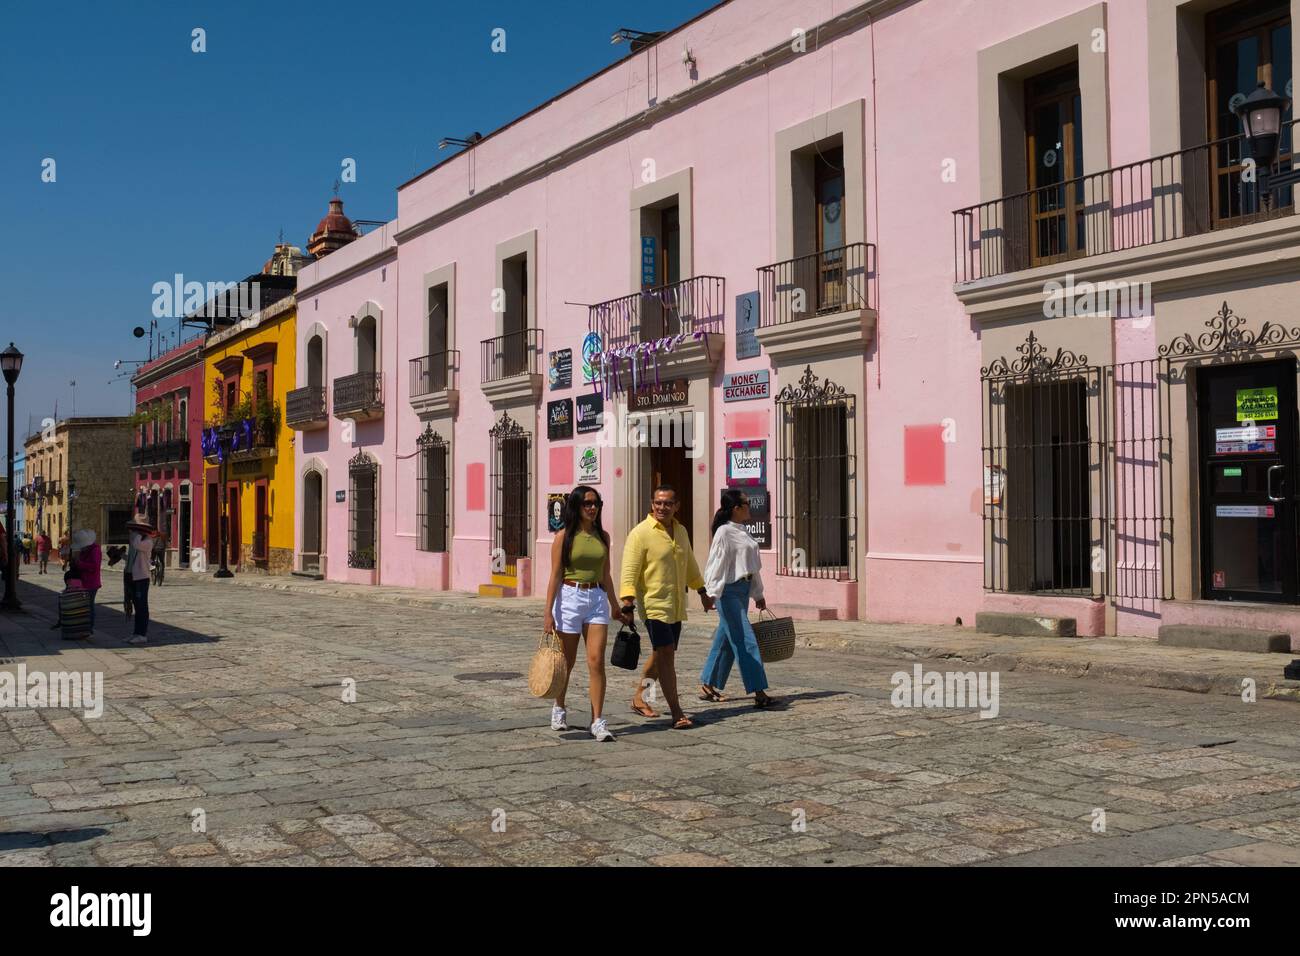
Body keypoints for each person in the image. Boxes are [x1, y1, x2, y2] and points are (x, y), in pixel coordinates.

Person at [620, 484, 714, 730]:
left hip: (676, 605)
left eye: (668, 503)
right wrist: (627, 602)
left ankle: (641, 698)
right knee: (667, 655)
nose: (662, 507)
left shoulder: (681, 530)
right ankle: (677, 712)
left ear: (676, 506)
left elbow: (690, 564)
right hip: (653, 605)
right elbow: (629, 570)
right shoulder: (640, 533)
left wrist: (702, 591)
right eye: (658, 502)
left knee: (661, 654)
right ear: (652, 504)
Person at [543, 486, 628, 742]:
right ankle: (559, 707)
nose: (593, 508)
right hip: (569, 598)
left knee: (596, 661)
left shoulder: (603, 536)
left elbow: (606, 574)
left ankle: (597, 721)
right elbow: (555, 574)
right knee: (566, 663)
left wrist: (614, 605)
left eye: (597, 503)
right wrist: (547, 612)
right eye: (588, 504)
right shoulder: (564, 537)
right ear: (577, 507)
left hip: (596, 599)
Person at [698, 489, 780, 708]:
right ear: (736, 508)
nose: (749, 506)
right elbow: (715, 564)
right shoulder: (724, 532)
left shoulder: (742, 530)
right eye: (746, 503)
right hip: (729, 593)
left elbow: (751, 567)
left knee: (725, 640)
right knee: (745, 639)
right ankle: (759, 690)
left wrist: (758, 593)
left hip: (743, 590)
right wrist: (711, 593)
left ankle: (709, 683)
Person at [125, 514, 160, 645]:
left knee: (142, 607)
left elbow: (137, 544)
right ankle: (136, 633)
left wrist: (137, 533)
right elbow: (133, 558)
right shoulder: (138, 539)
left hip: (142, 577)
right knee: (136, 606)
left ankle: (142, 634)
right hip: (133, 576)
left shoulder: (147, 541)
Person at [71, 529, 102, 636]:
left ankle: (89, 628)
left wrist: (80, 564)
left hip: (92, 582)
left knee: (89, 606)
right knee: (85, 606)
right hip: (83, 581)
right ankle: (84, 626)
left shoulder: (95, 550)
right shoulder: (86, 550)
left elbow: (95, 566)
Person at [50, 569, 92, 641]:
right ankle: (82, 631)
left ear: (67, 582)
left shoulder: (63, 596)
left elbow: (61, 614)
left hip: (67, 634)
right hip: (83, 634)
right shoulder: (85, 595)